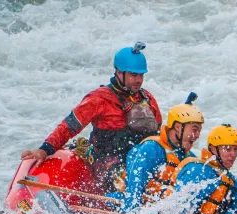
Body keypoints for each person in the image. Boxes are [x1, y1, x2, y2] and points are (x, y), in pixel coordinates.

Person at [21, 42, 162, 191]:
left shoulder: (148, 99)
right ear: (119, 72)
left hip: (140, 162)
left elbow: (160, 136)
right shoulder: (99, 99)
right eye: (134, 75)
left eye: (141, 75)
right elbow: (69, 126)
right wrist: (45, 149)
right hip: (108, 164)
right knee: (125, 180)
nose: (139, 80)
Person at [108, 92, 205, 211]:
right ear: (178, 127)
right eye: (194, 130)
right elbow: (133, 192)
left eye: (199, 131)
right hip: (124, 205)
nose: (197, 136)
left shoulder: (190, 159)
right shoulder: (151, 149)